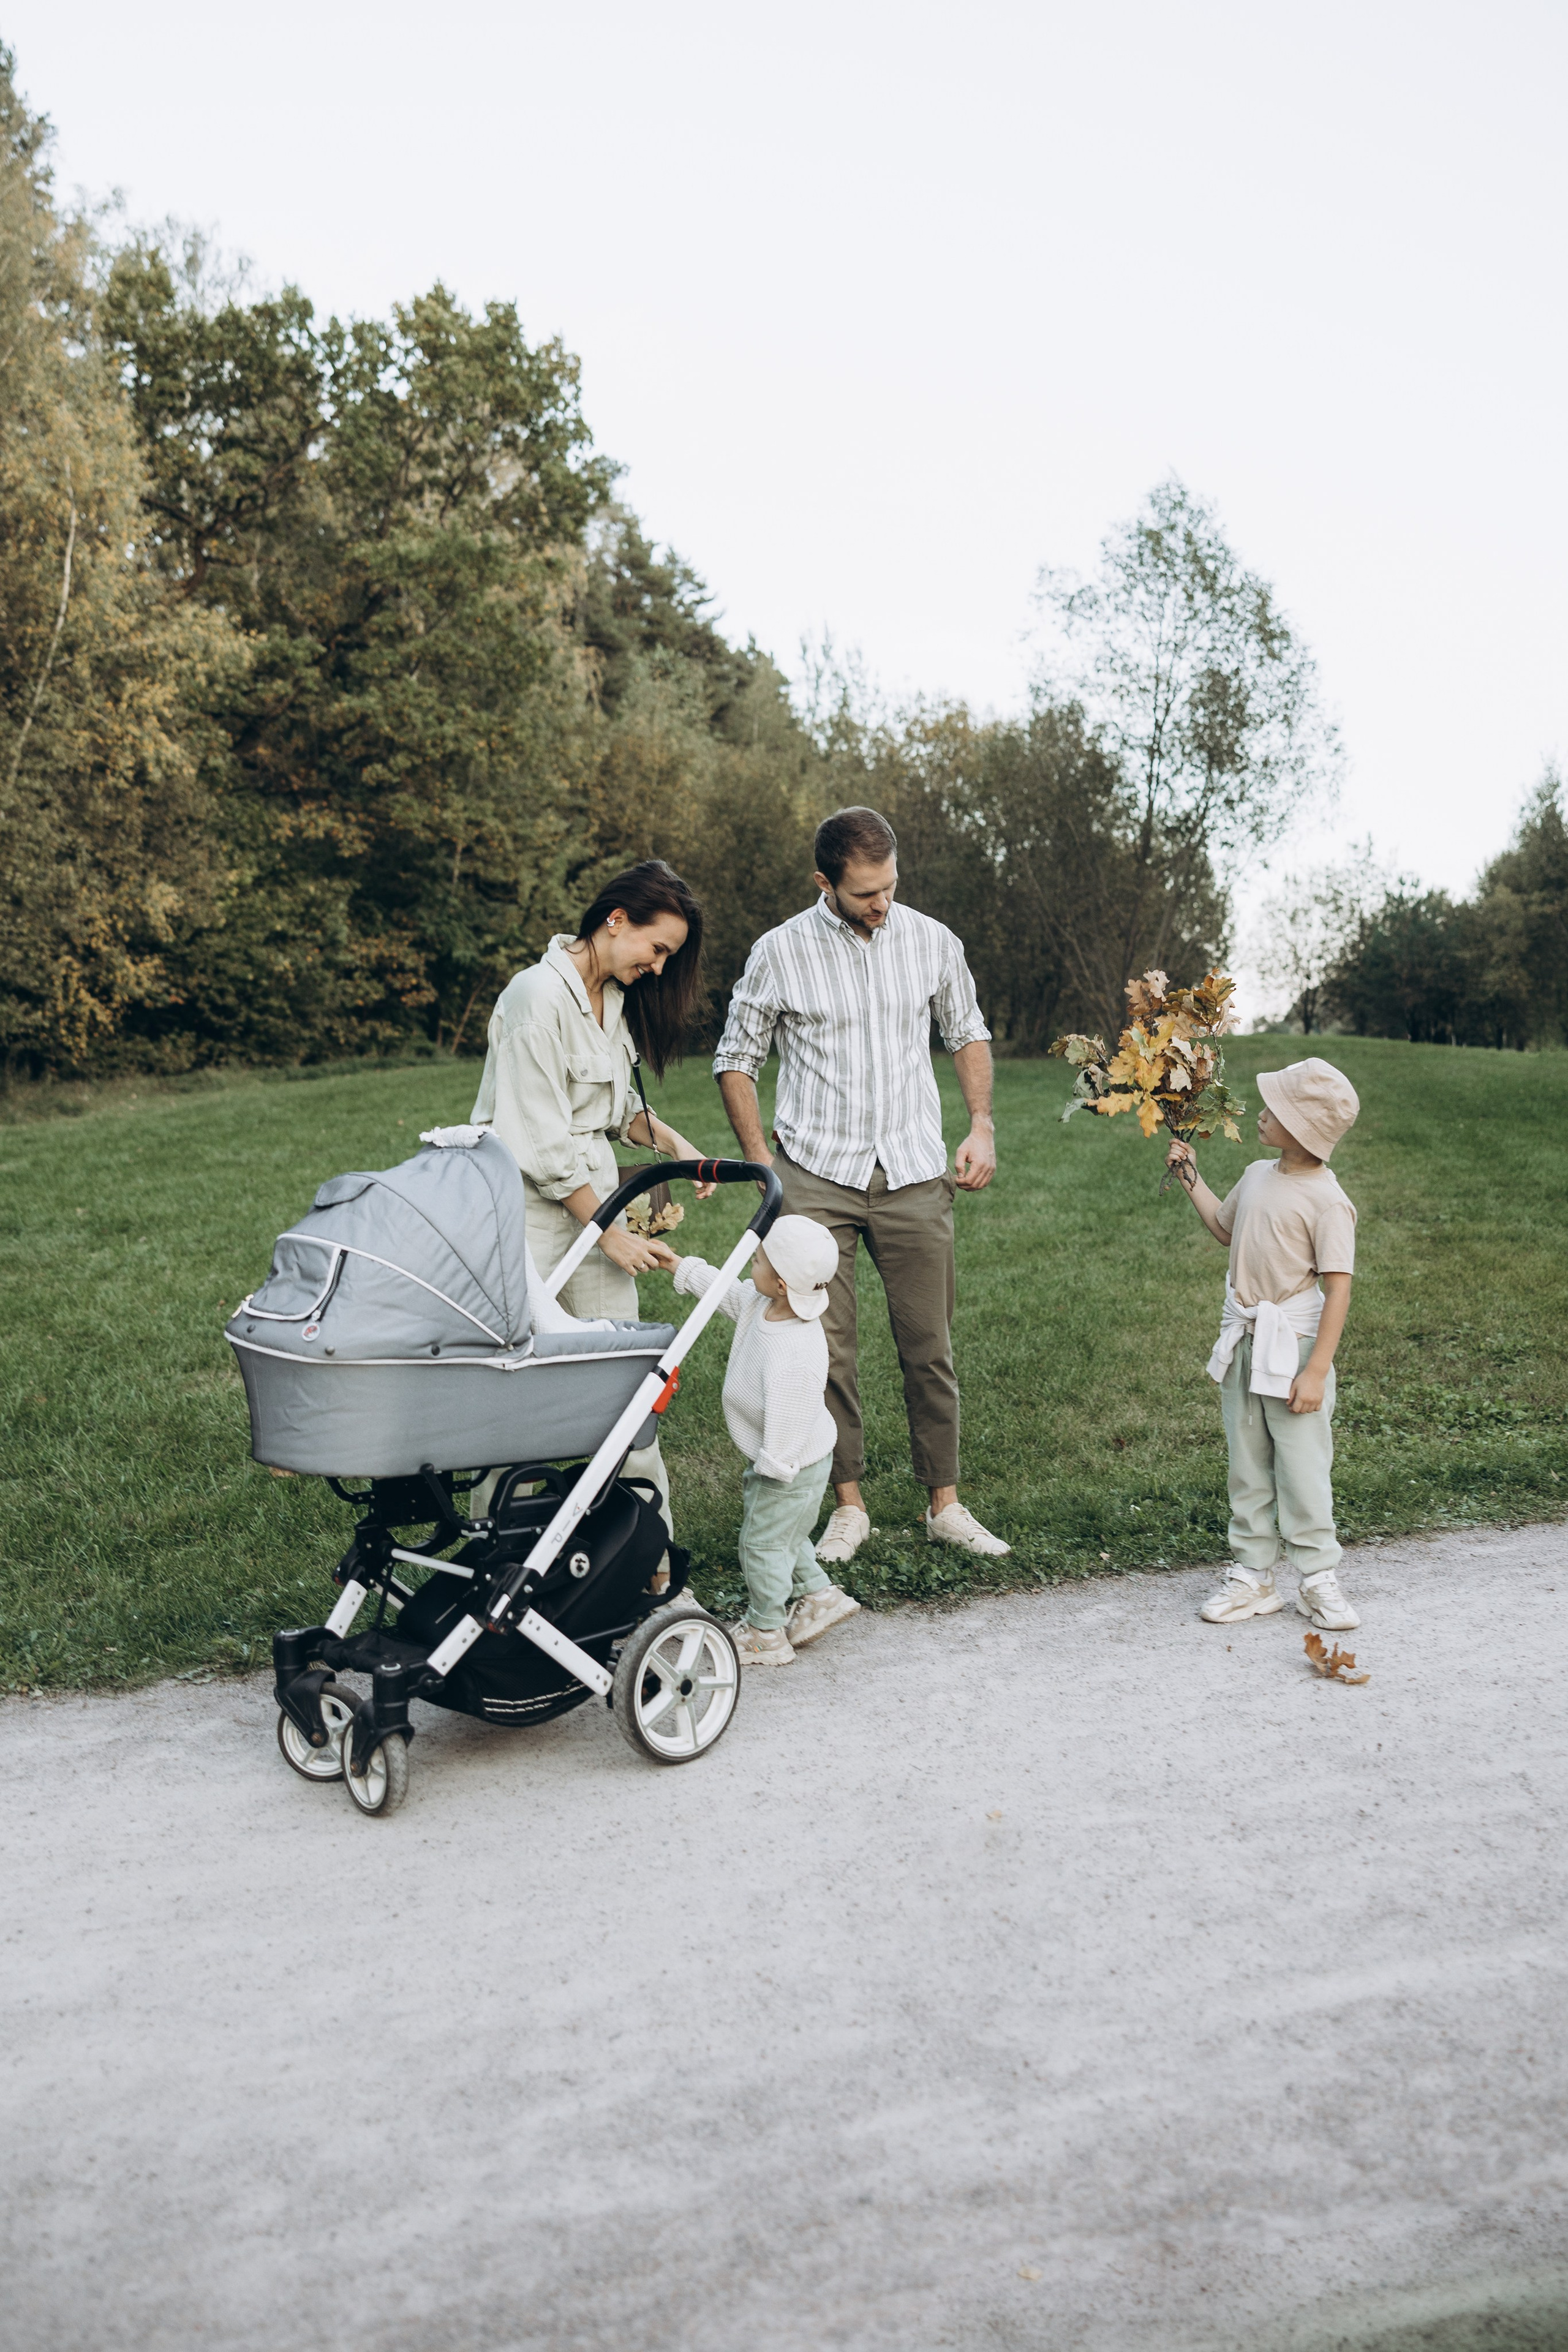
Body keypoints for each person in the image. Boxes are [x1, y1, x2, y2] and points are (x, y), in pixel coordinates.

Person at [712, 805, 1009, 1565]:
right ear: (825, 883)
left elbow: (966, 1030)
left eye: (889, 886)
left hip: (912, 1170)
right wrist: (761, 1164)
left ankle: (944, 1501)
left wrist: (980, 1124)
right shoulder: (778, 952)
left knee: (928, 1344)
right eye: (864, 893)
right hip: (816, 1175)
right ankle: (848, 1506)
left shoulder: (932, 939)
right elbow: (736, 1059)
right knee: (824, 1351)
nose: (881, 904)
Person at [470, 860, 716, 1537]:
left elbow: (617, 1111)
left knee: (624, 1380)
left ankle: (649, 1553)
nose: (660, 968)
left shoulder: (610, 1000)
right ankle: (497, 1547)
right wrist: (607, 1230)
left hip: (597, 1208)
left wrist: (676, 1144)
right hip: (530, 1217)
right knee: (518, 1383)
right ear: (615, 920)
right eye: (657, 948)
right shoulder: (534, 998)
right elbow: (540, 1138)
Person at [1165, 1057, 1362, 1632]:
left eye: (1274, 1109)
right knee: (1248, 1464)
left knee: (1301, 1467)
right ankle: (1253, 1575)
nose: (1261, 1114)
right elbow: (1228, 1229)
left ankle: (1318, 1577)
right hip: (1246, 1341)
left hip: (1295, 1349)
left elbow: (1339, 1290)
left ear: (1302, 1128)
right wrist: (1190, 1178)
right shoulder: (1256, 1174)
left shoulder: (1328, 1201)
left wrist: (1317, 1370)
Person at [652, 1215, 860, 1665]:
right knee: (786, 1534)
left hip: (789, 1465)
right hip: (791, 1460)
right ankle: (820, 1597)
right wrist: (678, 1266)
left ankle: (766, 1632)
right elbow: (725, 1291)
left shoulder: (795, 1351)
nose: (753, 1259)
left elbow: (790, 1421)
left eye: (761, 1258)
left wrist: (770, 1474)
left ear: (783, 1284)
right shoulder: (760, 1303)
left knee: (761, 1543)